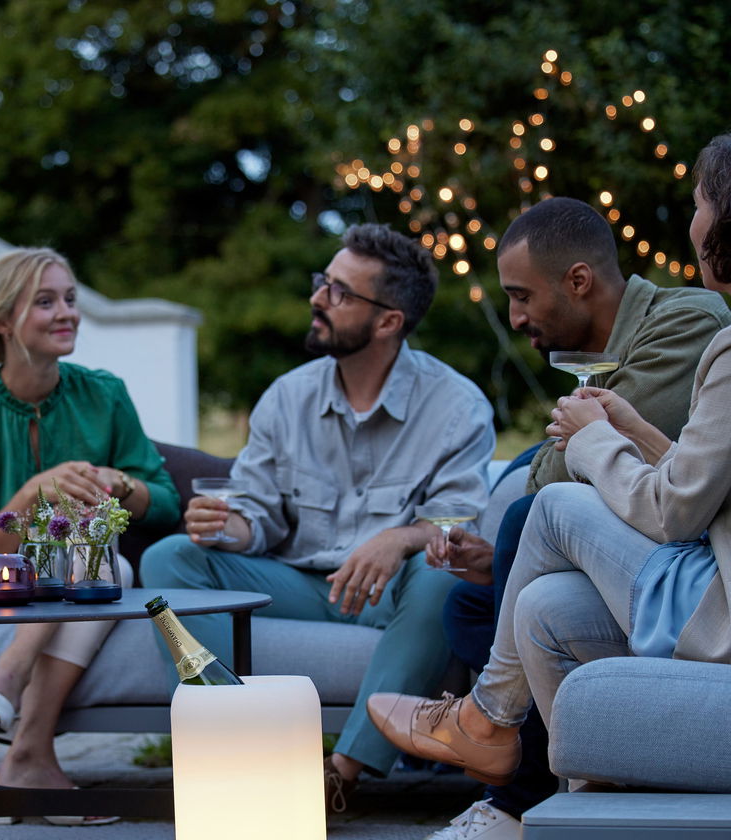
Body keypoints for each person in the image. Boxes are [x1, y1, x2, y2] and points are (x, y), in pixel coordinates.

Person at [368, 125, 731, 840]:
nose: (693, 221)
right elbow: (729, 479)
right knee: (542, 606)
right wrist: (634, 430)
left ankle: (485, 720)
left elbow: (673, 510)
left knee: (556, 506)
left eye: (703, 203)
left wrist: (592, 443)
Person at [385, 197, 731, 840]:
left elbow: (563, 473)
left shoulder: (686, 321)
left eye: (520, 296)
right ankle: (578, 812)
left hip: (693, 554)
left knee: (525, 517)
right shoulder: (589, 354)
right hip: (635, 534)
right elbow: (558, 458)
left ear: (579, 281)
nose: (515, 317)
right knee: (471, 602)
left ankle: (513, 796)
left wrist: (567, 450)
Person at [141, 223, 495, 802]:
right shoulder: (288, 396)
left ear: (388, 321)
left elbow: (455, 522)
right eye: (322, 283)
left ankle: (341, 772)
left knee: (441, 576)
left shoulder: (456, 406)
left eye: (339, 292)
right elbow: (256, 513)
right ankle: (240, 747)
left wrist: (399, 539)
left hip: (392, 595)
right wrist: (226, 526)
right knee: (168, 560)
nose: (317, 299)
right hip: (298, 583)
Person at [0, 247, 180, 818]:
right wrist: (29, 496)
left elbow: (165, 504)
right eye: (45, 302)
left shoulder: (104, 394)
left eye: (70, 298)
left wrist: (119, 483)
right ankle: (28, 754)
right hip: (5, 583)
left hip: (88, 574)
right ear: (1, 320)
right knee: (105, 569)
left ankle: (9, 697)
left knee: (101, 563)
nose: (66, 312)